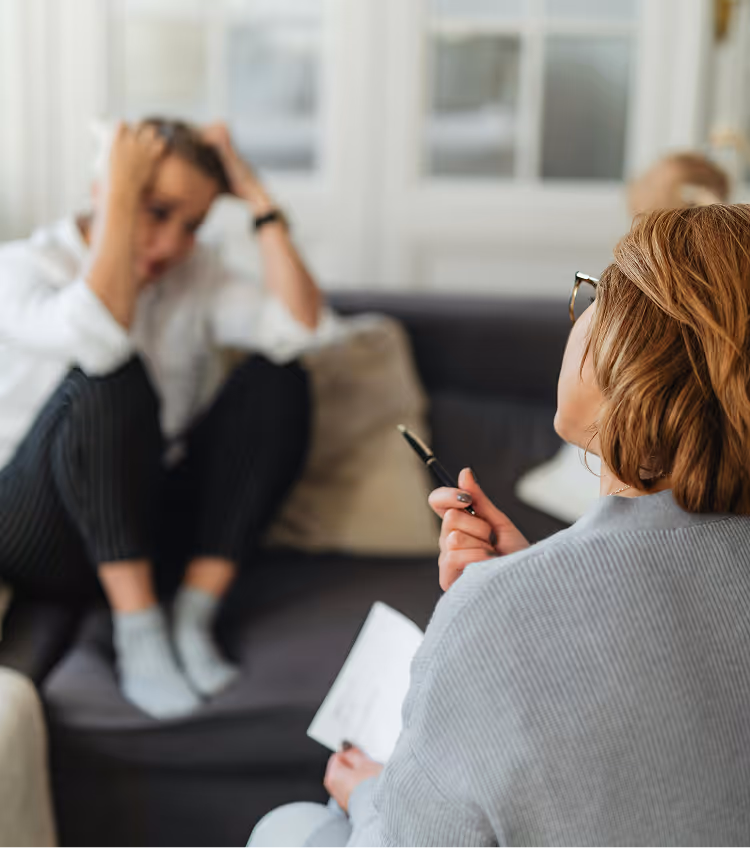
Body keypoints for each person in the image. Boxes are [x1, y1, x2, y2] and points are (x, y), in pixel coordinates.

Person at [247, 203, 750, 847]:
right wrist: (535, 583)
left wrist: (369, 791)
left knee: (284, 828)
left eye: (596, 294)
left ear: (630, 351)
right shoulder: (519, 601)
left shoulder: (500, 613)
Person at [0, 119, 335, 719]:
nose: (175, 244)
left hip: (142, 521)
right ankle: (139, 635)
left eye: (192, 224)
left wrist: (258, 199)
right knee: (111, 372)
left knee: (278, 378)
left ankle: (191, 616)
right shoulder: (21, 268)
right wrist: (121, 195)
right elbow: (100, 339)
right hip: (36, 528)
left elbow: (302, 331)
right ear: (107, 190)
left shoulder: (194, 273)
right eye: (157, 210)